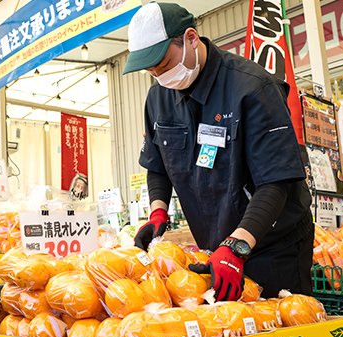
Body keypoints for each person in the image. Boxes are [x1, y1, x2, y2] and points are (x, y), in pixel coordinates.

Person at [126, 3, 313, 301]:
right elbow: (158, 164)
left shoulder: (253, 88)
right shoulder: (157, 98)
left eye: (162, 63)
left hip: (272, 245)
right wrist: (157, 211)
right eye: (150, 69)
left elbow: (275, 182)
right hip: (215, 248)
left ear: (190, 38)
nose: (158, 74)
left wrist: (238, 246)